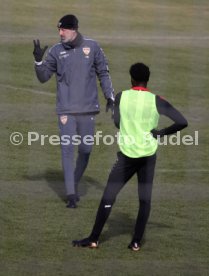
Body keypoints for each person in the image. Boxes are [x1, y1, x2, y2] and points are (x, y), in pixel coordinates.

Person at [72, 62, 188, 251]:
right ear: (147, 80)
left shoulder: (121, 97)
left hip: (127, 157)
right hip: (148, 156)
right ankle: (135, 242)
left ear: (131, 79)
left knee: (109, 196)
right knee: (144, 200)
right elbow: (182, 122)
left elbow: (118, 123)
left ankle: (94, 239)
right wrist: (160, 133)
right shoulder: (156, 100)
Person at [33, 14, 114, 208]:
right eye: (58, 30)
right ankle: (70, 195)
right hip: (66, 111)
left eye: (63, 29)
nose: (60, 33)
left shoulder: (92, 47)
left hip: (87, 110)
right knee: (67, 150)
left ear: (74, 29)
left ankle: (74, 182)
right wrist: (38, 62)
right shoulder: (55, 51)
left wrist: (110, 96)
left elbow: (103, 72)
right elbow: (44, 77)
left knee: (85, 150)